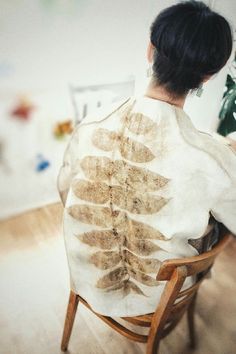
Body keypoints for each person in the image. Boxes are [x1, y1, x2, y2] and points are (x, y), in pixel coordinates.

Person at [57, 1, 236, 317]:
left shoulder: (92, 123)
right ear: (209, 76)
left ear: (150, 50)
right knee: (212, 226)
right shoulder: (210, 157)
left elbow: (64, 189)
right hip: (160, 297)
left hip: (88, 280)